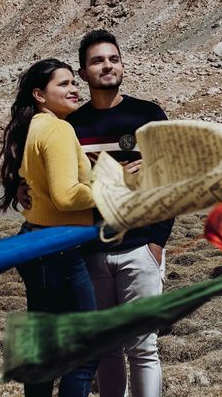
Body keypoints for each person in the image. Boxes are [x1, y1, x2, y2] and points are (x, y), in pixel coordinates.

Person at [69, 29, 172, 397]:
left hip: (141, 248)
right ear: (83, 73)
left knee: (143, 347)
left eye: (113, 59)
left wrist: (157, 244)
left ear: (123, 65)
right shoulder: (72, 126)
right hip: (92, 251)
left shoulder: (148, 114)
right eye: (97, 61)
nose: (107, 66)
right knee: (108, 348)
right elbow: (64, 184)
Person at [0, 58, 99, 397]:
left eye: (74, 82)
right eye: (64, 84)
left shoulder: (37, 126)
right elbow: (67, 196)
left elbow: (42, 188)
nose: (74, 89)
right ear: (40, 94)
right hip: (62, 249)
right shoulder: (57, 129)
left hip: (37, 242)